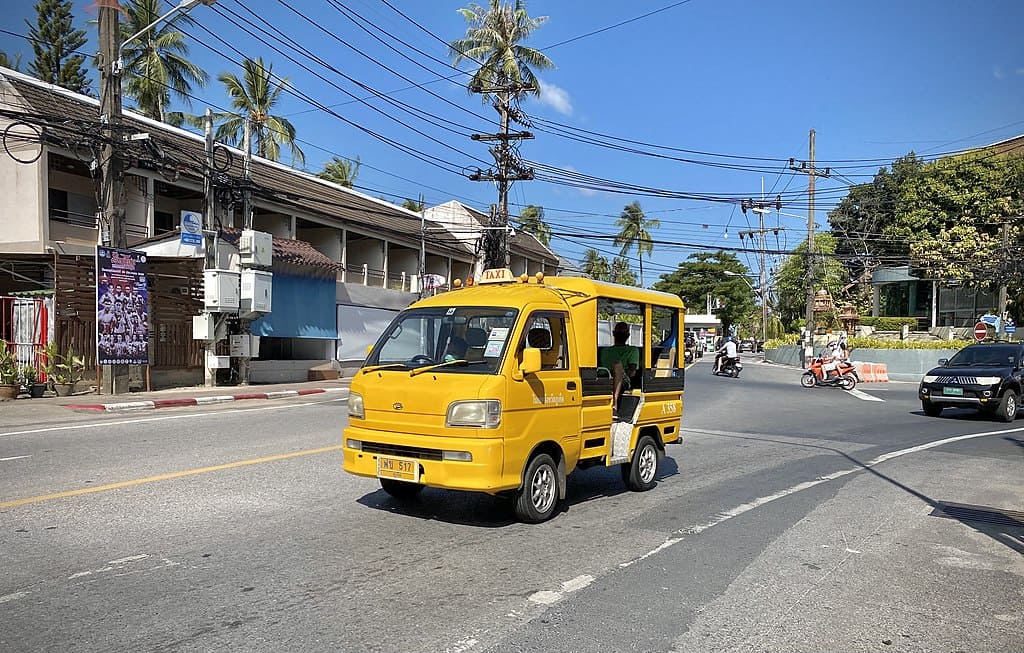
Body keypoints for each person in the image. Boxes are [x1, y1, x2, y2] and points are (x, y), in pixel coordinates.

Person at [600, 321, 639, 413]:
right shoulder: (605, 351)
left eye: (622, 332)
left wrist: (621, 370)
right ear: (628, 335)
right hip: (604, 378)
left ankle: (614, 402)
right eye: (620, 332)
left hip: (623, 382)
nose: (621, 334)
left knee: (617, 365)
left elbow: (632, 373)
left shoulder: (632, 350)